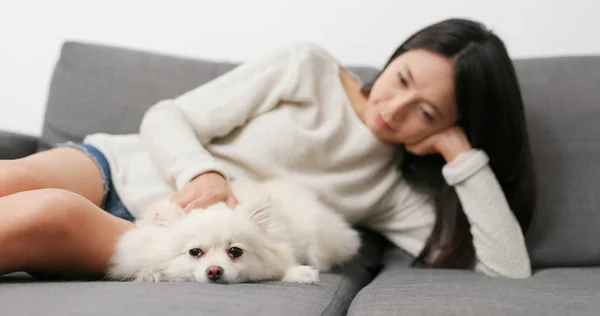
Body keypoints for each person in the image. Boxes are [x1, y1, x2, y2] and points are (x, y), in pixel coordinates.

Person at [0, 18, 535, 280]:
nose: (394, 108)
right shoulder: (308, 68)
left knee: (48, 212)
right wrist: (203, 173)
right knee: (14, 177)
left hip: (157, 239)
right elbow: (168, 116)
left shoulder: (393, 191)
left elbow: (508, 271)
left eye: (427, 113)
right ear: (400, 53)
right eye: (404, 77)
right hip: (120, 163)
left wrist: (459, 153)